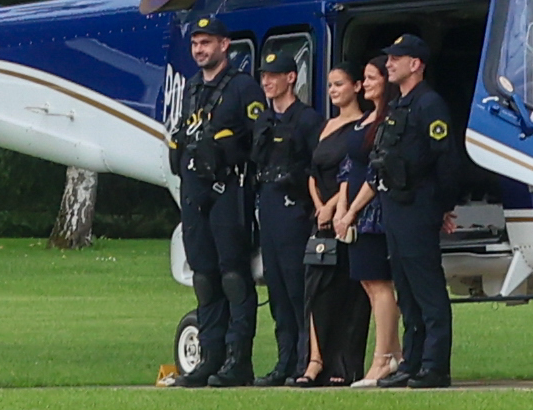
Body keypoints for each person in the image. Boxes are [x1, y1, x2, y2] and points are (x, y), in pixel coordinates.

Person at [165, 22, 258, 385]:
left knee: (233, 275)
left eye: (207, 43)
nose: (200, 49)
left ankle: (238, 360)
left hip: (228, 189)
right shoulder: (192, 87)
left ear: (225, 44)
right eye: (196, 43)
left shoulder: (242, 86)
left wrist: (230, 146)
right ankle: (210, 357)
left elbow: (258, 137)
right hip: (194, 189)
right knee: (203, 275)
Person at [372, 30, 466, 387]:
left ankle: (434, 365)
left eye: (396, 58)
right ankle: (411, 362)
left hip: (418, 205)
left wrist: (440, 206)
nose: (389, 64)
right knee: (406, 291)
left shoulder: (429, 104)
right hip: (395, 205)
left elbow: (446, 162)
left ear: (416, 64)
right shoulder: (399, 105)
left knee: (427, 290)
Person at [242, 52, 316, 385]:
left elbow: (317, 167)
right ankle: (284, 360)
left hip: (294, 205)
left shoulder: (307, 119)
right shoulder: (265, 120)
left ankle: (306, 359)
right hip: (269, 203)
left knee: (296, 285)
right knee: (277, 288)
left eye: (274, 76)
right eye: (264, 77)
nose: (267, 82)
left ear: (291, 77)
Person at [326, 62, 394, 387]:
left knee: (380, 284)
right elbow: (348, 167)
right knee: (368, 285)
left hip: (372, 212)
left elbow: (374, 171)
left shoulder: (386, 121)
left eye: (370, 78)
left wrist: (352, 210)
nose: (365, 83)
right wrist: (341, 209)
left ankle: (382, 359)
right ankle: (394, 354)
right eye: (363, 77)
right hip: (351, 211)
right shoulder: (364, 120)